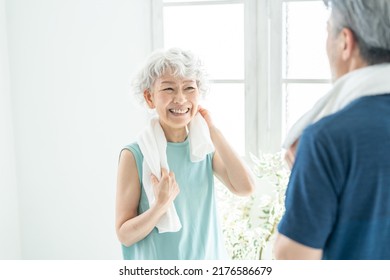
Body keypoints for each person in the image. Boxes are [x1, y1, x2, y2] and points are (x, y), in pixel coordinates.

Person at [274, 0, 390, 259]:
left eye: (328, 32)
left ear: (345, 42)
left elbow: (294, 259)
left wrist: (305, 176)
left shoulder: (327, 138)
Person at [115, 48, 255, 260]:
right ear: (149, 97)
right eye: (169, 89)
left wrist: (214, 132)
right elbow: (125, 235)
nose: (180, 99)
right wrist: (160, 206)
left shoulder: (204, 149)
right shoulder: (134, 155)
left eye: (189, 88)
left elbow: (246, 187)